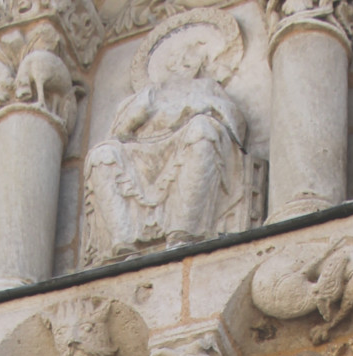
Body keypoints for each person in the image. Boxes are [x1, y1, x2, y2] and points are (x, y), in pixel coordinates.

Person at [83, 33, 248, 262]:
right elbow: (120, 131)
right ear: (170, 63)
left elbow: (233, 120)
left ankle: (183, 230)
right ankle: (123, 240)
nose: (186, 65)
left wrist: (196, 108)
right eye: (182, 59)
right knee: (102, 155)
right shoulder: (148, 93)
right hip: (141, 152)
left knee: (203, 131)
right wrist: (139, 112)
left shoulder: (207, 87)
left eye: (193, 61)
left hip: (183, 142)